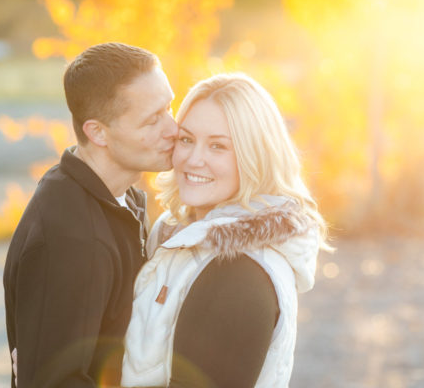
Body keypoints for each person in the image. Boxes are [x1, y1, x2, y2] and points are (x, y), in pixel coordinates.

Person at [121, 73, 331, 388]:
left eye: (218, 146)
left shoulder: (238, 271)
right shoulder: (177, 238)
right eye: (187, 139)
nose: (193, 160)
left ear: (254, 157)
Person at [3, 42, 178, 387]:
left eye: (169, 108)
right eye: (153, 119)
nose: (173, 129)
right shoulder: (73, 241)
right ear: (97, 132)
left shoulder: (113, 199)